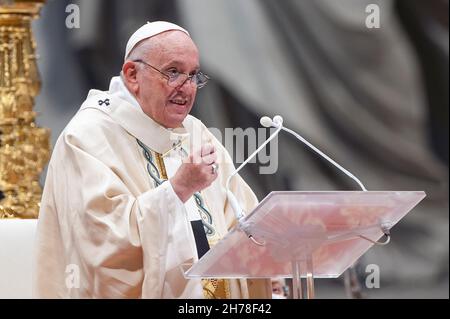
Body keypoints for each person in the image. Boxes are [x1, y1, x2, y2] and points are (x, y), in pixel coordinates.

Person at [33, 21, 271, 299]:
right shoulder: (87, 138)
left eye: (193, 75)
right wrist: (177, 189)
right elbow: (102, 246)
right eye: (173, 72)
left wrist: (269, 265)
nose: (187, 87)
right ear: (132, 74)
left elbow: (241, 216)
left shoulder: (195, 132)